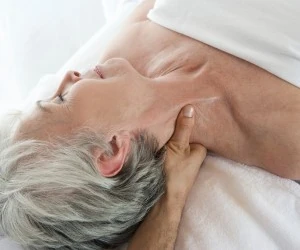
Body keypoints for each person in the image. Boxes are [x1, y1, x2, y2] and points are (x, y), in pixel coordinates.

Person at [0, 0, 299, 249]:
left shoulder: (125, 48)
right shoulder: (287, 136)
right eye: (62, 99)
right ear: (111, 150)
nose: (69, 76)